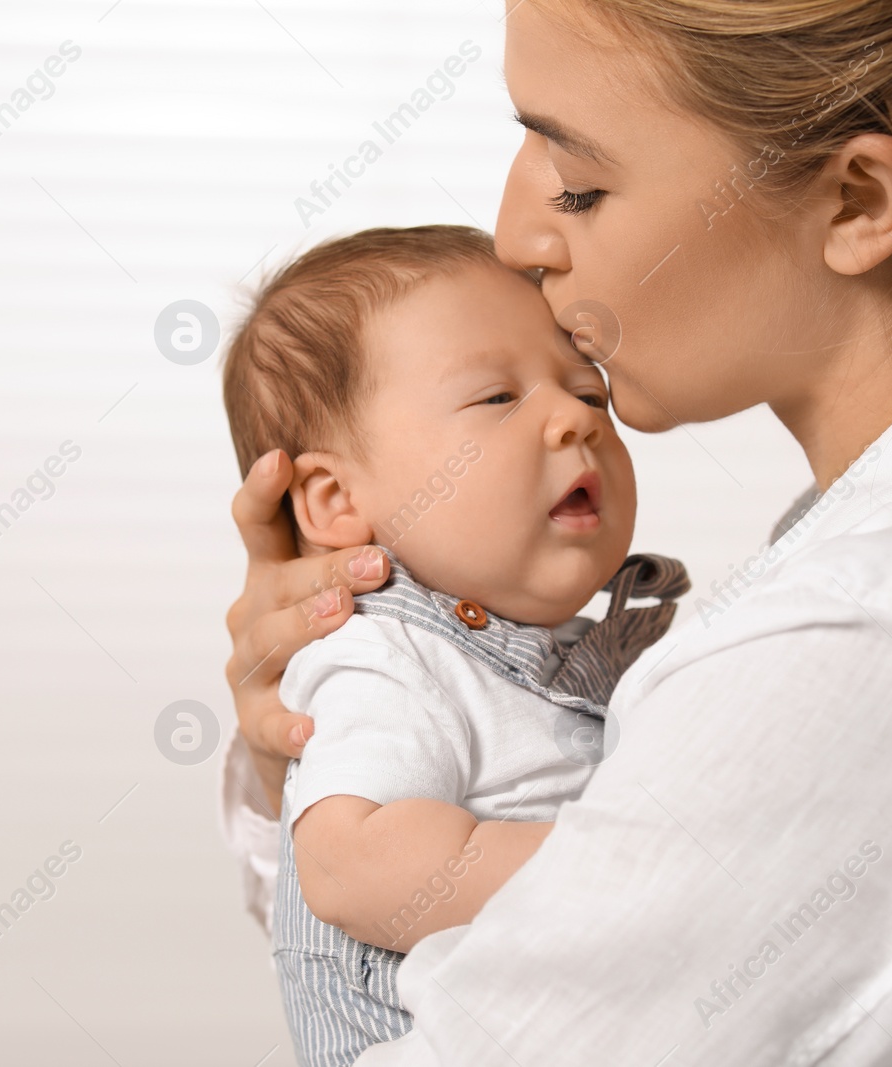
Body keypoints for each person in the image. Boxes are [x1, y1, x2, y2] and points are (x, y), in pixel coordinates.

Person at [219, 0, 892, 1063]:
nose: (516, 237)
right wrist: (307, 753)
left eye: (580, 183)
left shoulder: (864, 646)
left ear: (856, 201)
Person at [220, 223, 690, 1066]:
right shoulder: (383, 658)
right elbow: (350, 868)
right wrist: (618, 864)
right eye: (498, 398)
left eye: (587, 391)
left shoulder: (593, 658)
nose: (572, 420)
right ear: (333, 498)